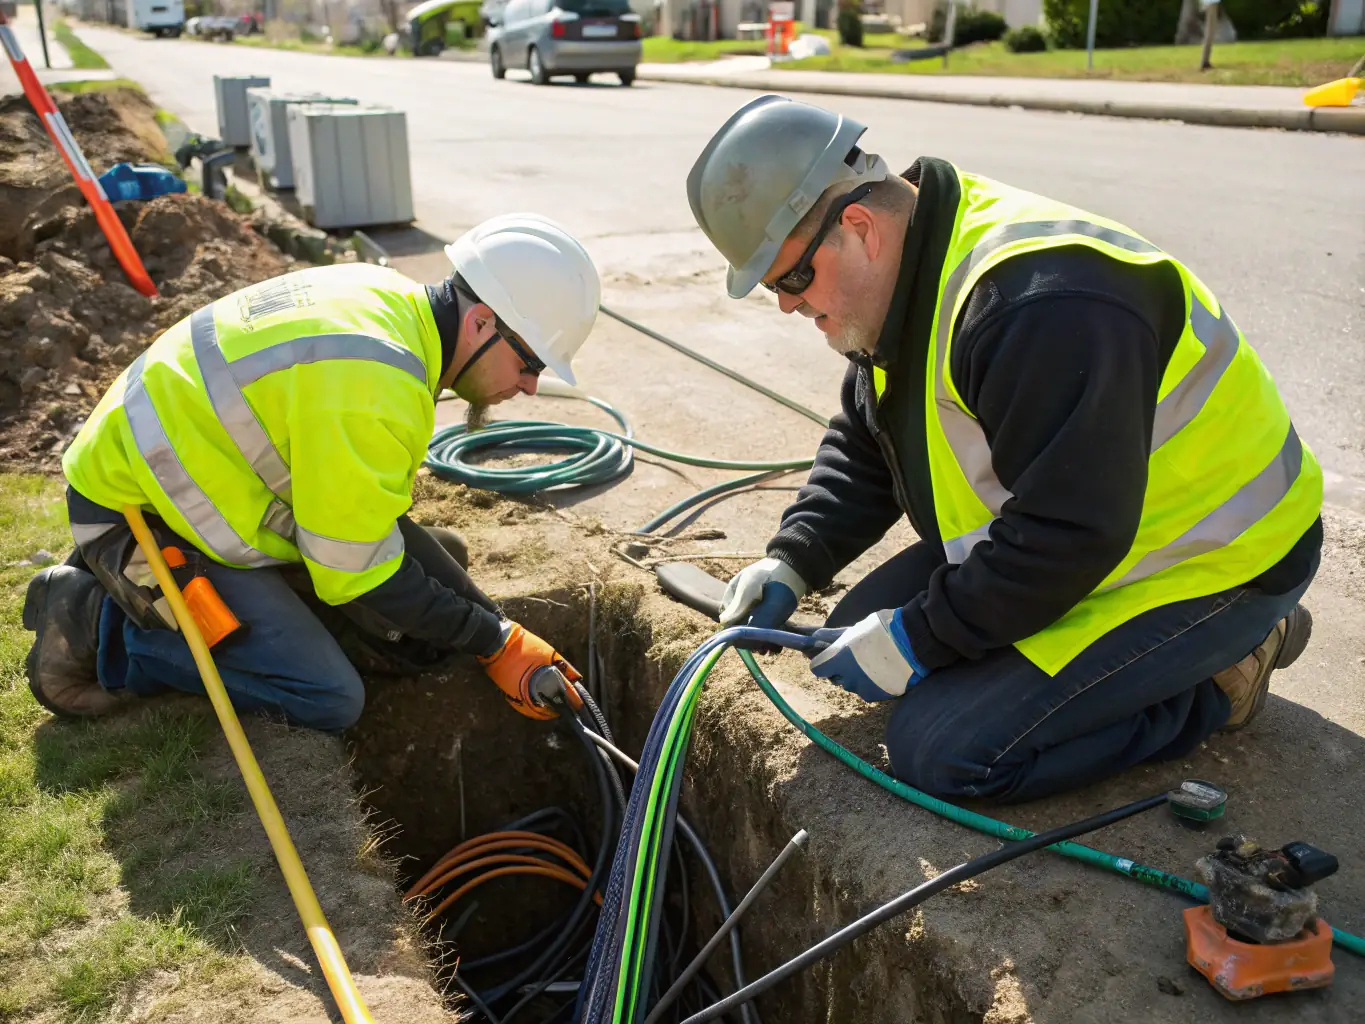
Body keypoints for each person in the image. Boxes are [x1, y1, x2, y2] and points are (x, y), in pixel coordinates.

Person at [688, 95, 1323, 803]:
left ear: (858, 227)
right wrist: (793, 558)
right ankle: (1156, 663)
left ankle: (1221, 676)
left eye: (791, 279)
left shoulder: (1036, 307)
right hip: (1083, 533)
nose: (787, 306)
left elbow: (1066, 534)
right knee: (849, 635)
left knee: (944, 750)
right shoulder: (910, 275)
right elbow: (868, 443)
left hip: (1207, 562)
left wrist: (920, 637)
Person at [23, 213, 600, 731]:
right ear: (479, 323)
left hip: (196, 485)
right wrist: (489, 639)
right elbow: (357, 574)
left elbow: (378, 527)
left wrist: (500, 631)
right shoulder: (375, 385)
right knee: (328, 694)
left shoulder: (390, 303)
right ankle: (99, 625)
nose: (528, 386)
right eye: (528, 363)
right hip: (137, 520)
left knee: (436, 560)